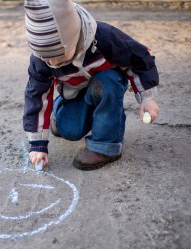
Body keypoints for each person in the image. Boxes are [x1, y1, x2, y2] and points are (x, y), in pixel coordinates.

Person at [23, 0, 160, 170]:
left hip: (106, 85)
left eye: (59, 56)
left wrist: (147, 98)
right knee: (70, 131)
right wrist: (37, 144)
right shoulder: (41, 61)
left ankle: (106, 146)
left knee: (108, 82)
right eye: (46, 57)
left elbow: (138, 59)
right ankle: (60, 114)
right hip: (75, 93)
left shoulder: (104, 37)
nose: (52, 62)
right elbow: (37, 97)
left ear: (74, 38)